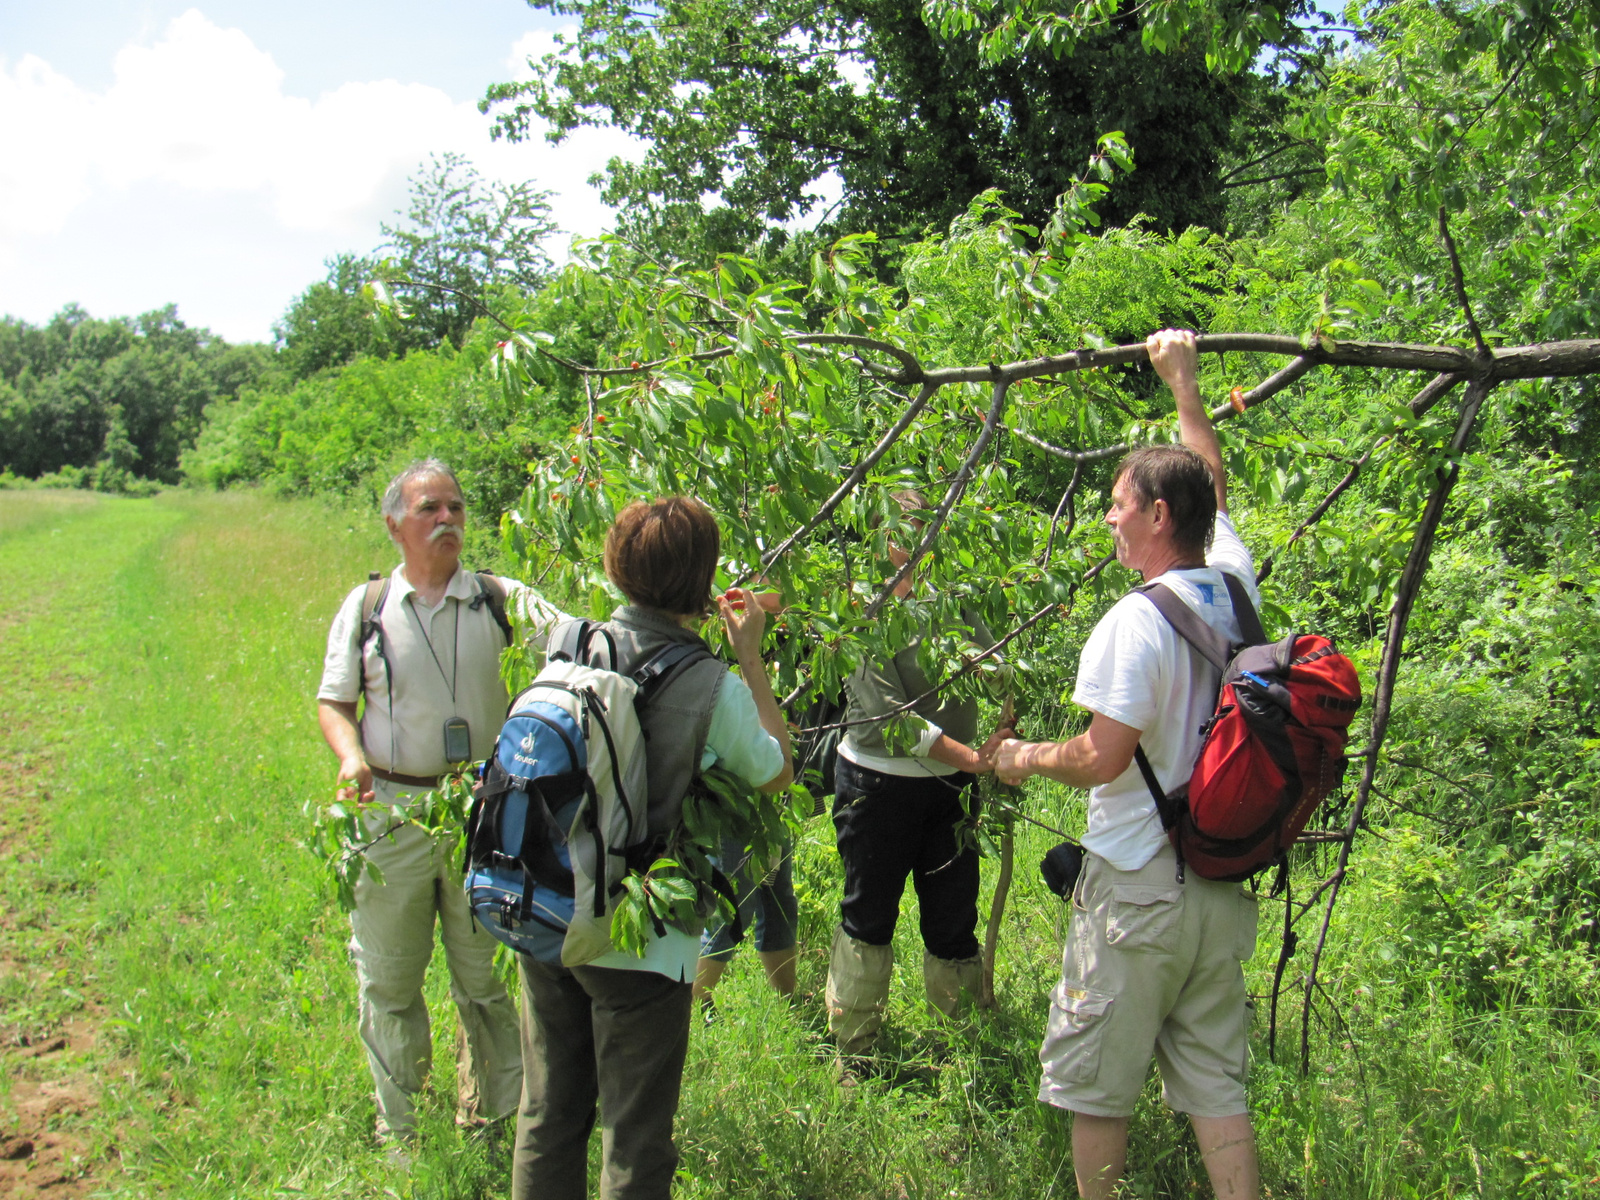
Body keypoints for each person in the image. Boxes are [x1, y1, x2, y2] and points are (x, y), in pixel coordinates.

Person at [996, 329, 1263, 1199]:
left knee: (1097, 1087)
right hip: (1220, 883)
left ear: (1156, 517)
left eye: (1118, 503)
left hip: (1135, 894)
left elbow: (1102, 757)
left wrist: (1025, 757)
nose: (1108, 516)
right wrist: (1185, 386)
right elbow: (1210, 485)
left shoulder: (1134, 620)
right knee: (1217, 1086)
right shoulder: (1235, 588)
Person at [512, 496, 793, 1200]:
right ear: (702, 584)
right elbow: (778, 773)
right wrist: (750, 659)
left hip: (549, 907)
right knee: (636, 1142)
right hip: (642, 937)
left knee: (548, 1116)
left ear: (617, 566)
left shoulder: (570, 643)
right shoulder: (710, 687)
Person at [317, 458, 558, 1147]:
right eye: (430, 509)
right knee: (389, 979)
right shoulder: (365, 610)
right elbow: (334, 702)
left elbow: (581, 642)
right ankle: (403, 1135)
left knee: (484, 977)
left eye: (456, 507)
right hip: (390, 812)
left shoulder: (499, 599)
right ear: (395, 524)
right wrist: (351, 756)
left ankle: (493, 1122)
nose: (448, 519)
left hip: (486, 810)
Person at [824, 489, 1012, 1070]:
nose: (918, 541)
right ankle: (854, 1052)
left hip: (950, 790)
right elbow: (892, 721)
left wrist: (1006, 710)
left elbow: (996, 660)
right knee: (870, 916)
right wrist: (975, 759)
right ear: (881, 533)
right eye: (907, 528)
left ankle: (962, 1046)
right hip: (878, 790)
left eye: (929, 527)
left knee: (954, 917)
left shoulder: (951, 596)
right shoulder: (860, 606)